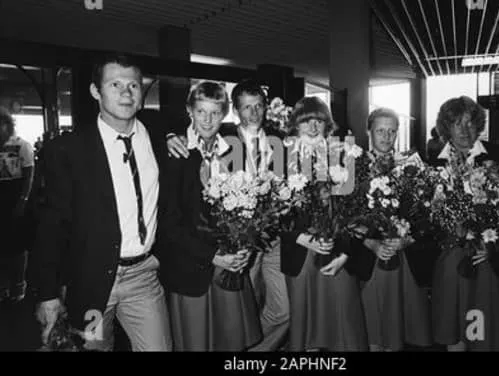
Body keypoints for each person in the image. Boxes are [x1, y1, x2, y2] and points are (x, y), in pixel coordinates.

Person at [30, 54, 172, 351]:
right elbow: (50, 225)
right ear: (96, 91)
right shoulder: (69, 150)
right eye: (115, 84)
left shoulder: (159, 140)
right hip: (90, 283)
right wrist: (47, 293)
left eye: (133, 85)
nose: (126, 93)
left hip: (144, 278)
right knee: (94, 348)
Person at [167, 79, 289, 352]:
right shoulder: (181, 150)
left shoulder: (238, 146)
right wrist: (169, 134)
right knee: (204, 337)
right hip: (200, 261)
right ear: (235, 111)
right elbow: (171, 220)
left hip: (244, 245)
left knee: (235, 332)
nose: (208, 119)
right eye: (201, 112)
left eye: (214, 113)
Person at [429, 95, 499, 351]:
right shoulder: (433, 163)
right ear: (446, 127)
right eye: (457, 123)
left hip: (491, 259)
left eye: (470, 122)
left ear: (478, 124)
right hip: (453, 261)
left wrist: (493, 244)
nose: (464, 130)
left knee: (491, 334)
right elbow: (429, 218)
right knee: (456, 332)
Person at [280, 96, 368, 352]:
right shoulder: (280, 159)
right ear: (295, 125)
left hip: (336, 253)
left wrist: (346, 254)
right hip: (300, 254)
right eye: (306, 121)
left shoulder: (343, 157)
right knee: (305, 330)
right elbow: (273, 212)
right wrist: (300, 238)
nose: (313, 127)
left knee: (343, 326)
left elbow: (357, 213)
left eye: (319, 121)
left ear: (327, 125)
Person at [358, 107, 433, 351]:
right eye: (380, 130)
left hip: (404, 258)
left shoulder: (412, 167)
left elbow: (427, 217)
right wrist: (371, 243)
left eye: (392, 131)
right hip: (368, 259)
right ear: (368, 131)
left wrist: (408, 239)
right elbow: (344, 216)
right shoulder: (353, 166)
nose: (386, 137)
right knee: (371, 334)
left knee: (397, 334)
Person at [0, 109, 34, 303]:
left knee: (18, 245)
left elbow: (29, 176)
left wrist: (23, 200)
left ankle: (19, 284)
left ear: (7, 125)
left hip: (15, 197)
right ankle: (3, 285)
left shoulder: (22, 145)